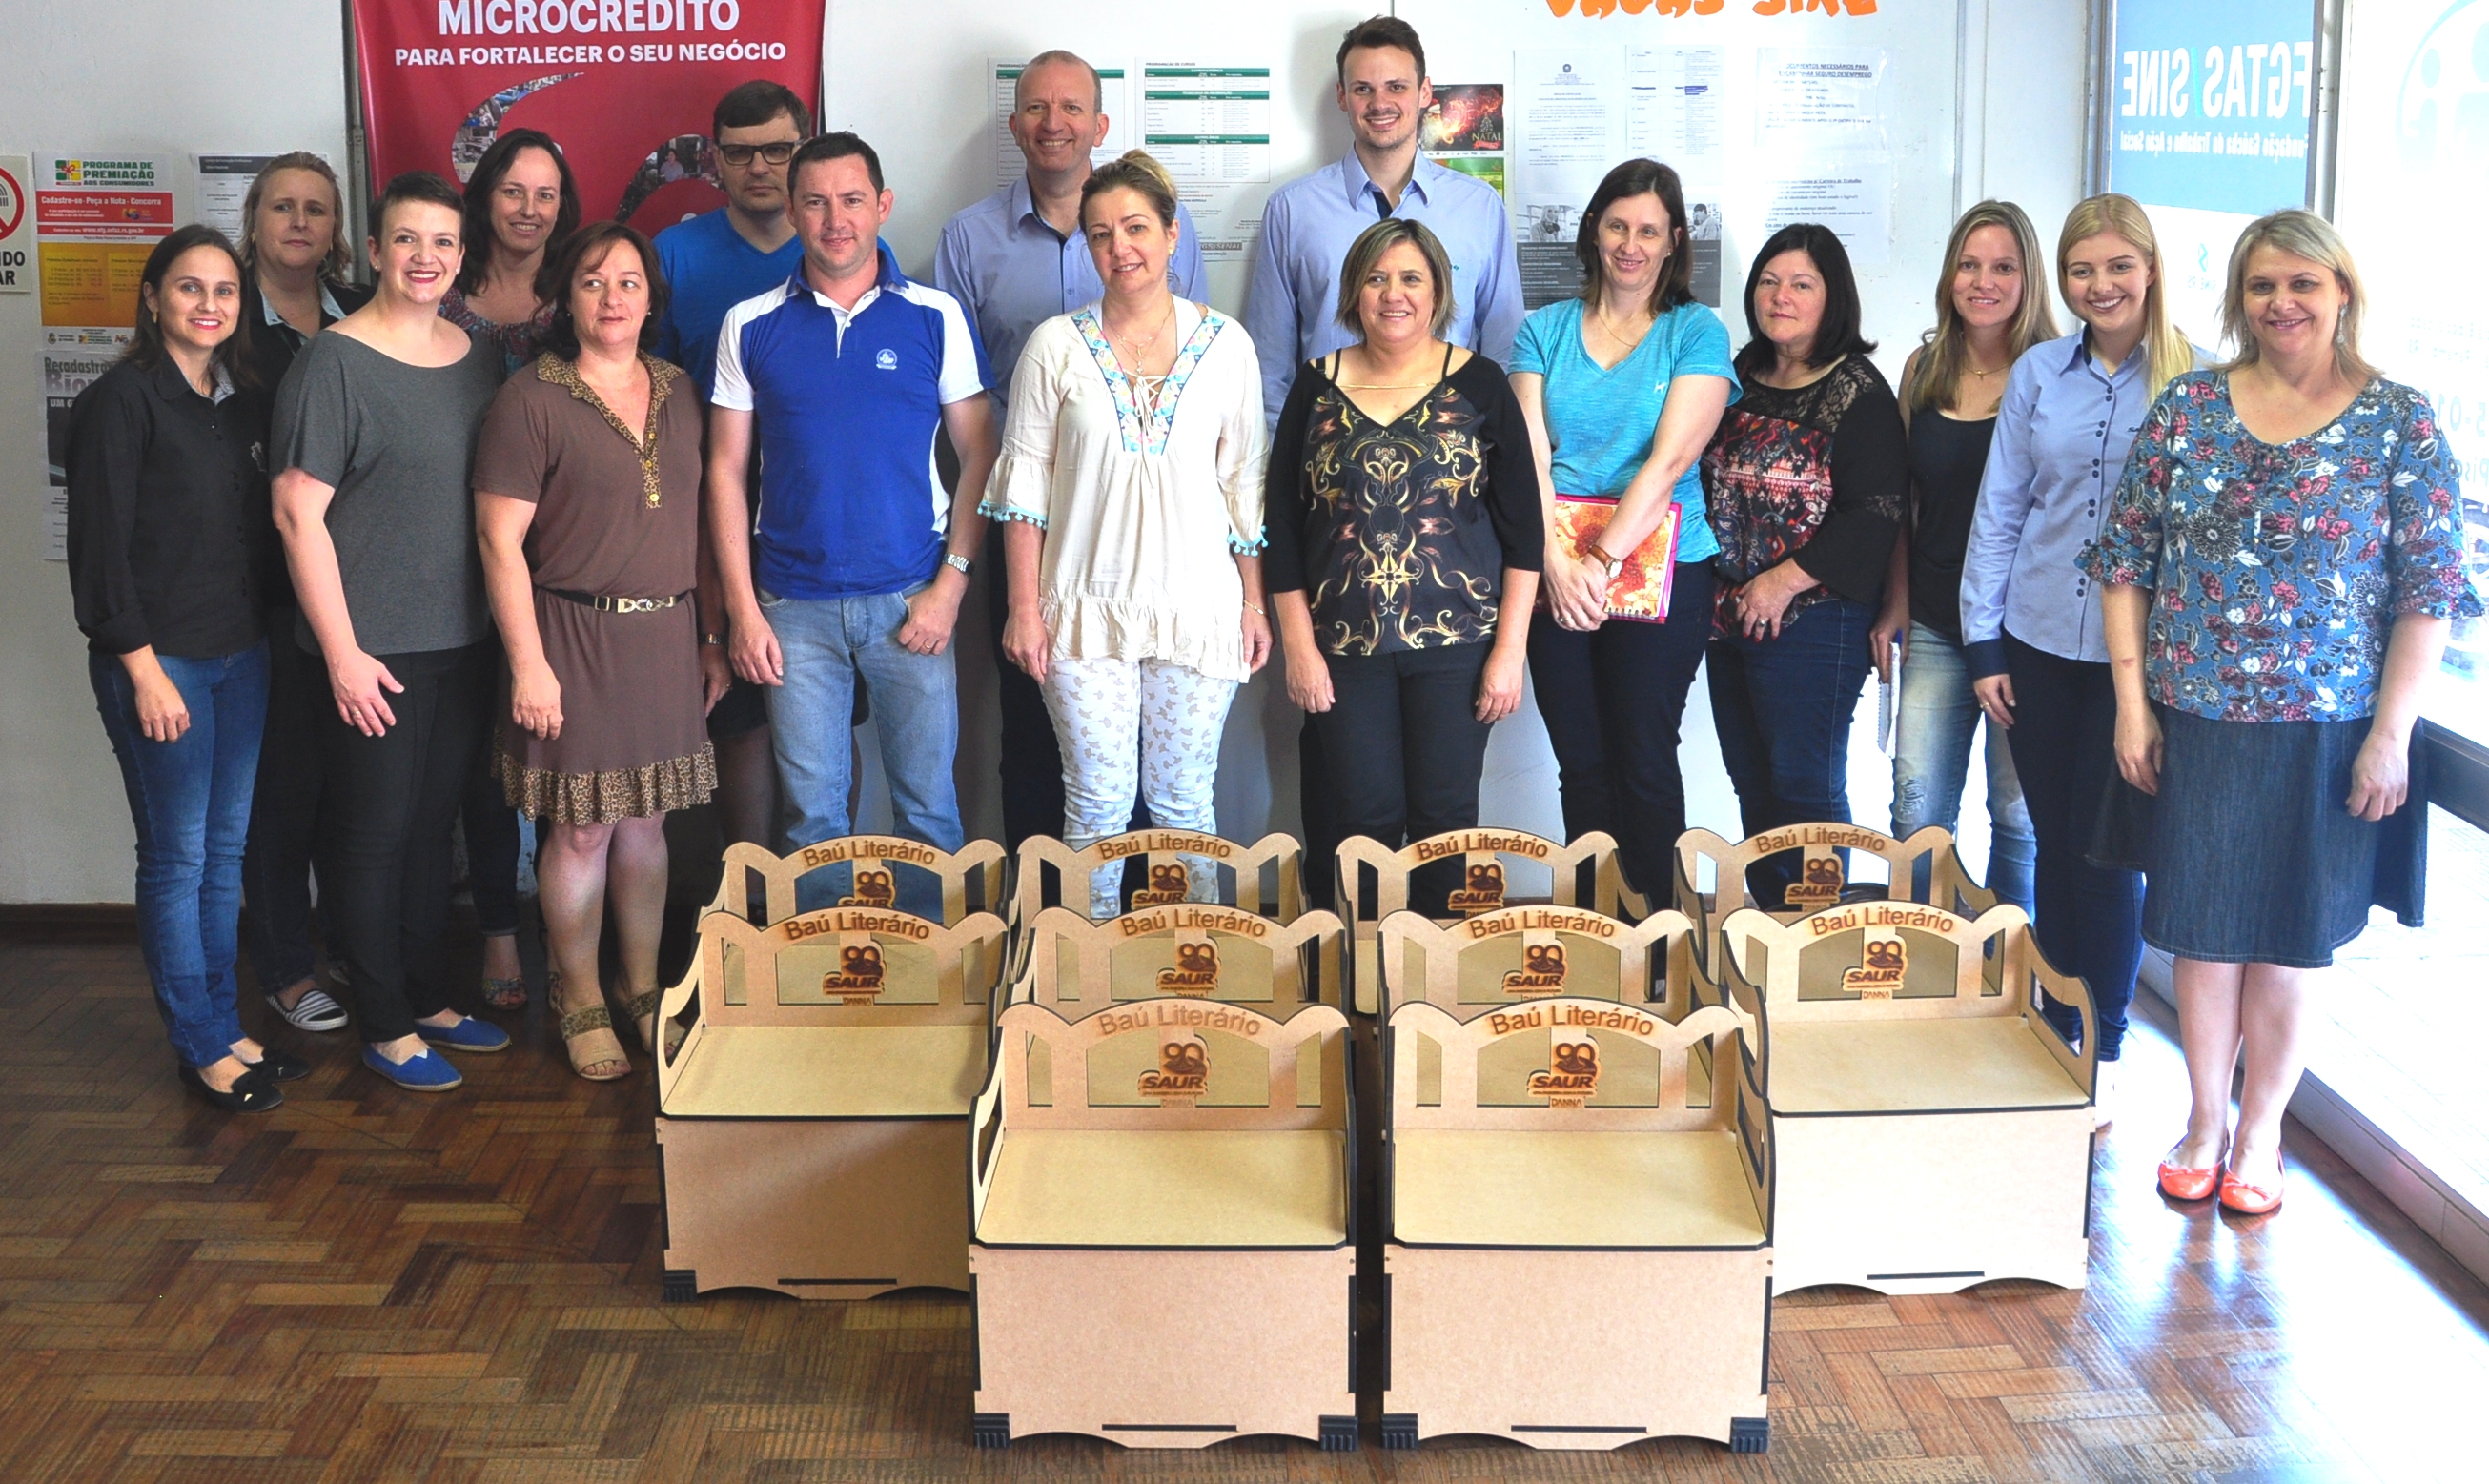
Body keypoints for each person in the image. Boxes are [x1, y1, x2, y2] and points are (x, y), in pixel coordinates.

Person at [2090, 211, 2480, 1215]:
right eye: (2262, 286)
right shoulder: (2188, 409)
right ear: (2238, 299)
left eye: (2303, 284)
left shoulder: (2402, 420)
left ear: (2342, 292)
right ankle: (2202, 1122)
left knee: (2292, 940)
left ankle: (2261, 1132)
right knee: (2203, 938)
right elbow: (2124, 563)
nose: (2282, 305)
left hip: (2328, 732)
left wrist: (2390, 737)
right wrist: (2133, 708)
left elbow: (2428, 594)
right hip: (2198, 720)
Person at [1247, 13, 1524, 904]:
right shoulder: (1292, 211)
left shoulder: (1481, 213)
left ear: (1425, 98)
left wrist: (1507, 647)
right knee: (1347, 812)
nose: (1379, 101)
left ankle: (1429, 1005)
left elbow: (1507, 379)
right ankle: (1348, 997)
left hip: (1453, 609)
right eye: (1362, 86)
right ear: (1340, 98)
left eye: (1395, 85)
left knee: (1445, 817)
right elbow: (1264, 377)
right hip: (1337, 597)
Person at [707, 133, 996, 916]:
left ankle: (938, 993)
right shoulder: (750, 323)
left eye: (851, 198)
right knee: (812, 822)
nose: (835, 219)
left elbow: (981, 454)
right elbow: (724, 473)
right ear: (794, 210)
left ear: (883, 205)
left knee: (928, 813)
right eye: (816, 201)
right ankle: (829, 991)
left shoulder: (934, 315)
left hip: (912, 602)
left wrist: (950, 589)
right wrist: (741, 611)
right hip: (791, 610)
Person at [271, 171, 514, 1092]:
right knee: (371, 834)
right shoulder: (333, 361)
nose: (425, 258)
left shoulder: (474, 354)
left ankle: (422, 994)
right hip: (370, 649)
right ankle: (380, 1017)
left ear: (460, 257)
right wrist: (341, 654)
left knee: (429, 831)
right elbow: (298, 514)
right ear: (374, 251)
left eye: (443, 243)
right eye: (407, 240)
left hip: (462, 637)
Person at [1960, 193, 2197, 1117]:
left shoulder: (2198, 382)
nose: (2099, 286)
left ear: (2150, 269)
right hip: (2037, 635)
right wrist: (1983, 640)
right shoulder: (2036, 374)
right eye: (2080, 270)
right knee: (2055, 839)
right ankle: (2056, 1022)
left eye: (2116, 267)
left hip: (2139, 660)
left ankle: (2105, 1033)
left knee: (2111, 852)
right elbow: (2002, 509)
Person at [936, 49, 1208, 852]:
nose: (1052, 123)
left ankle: (1138, 921)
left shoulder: (1159, 232)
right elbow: (957, 385)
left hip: (1144, 538)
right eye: (1034, 108)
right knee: (1029, 725)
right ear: (1015, 123)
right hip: (1026, 524)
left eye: (1069, 108)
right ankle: (1046, 916)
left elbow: (1178, 353)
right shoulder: (967, 237)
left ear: (1099, 123)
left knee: (1153, 752)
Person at [989, 152, 1270, 919]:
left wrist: (1252, 603)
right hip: (1080, 610)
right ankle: (1091, 980)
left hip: (1197, 608)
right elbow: (1023, 490)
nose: (1122, 247)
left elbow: (1244, 486)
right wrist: (1023, 607)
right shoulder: (1055, 346)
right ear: (1087, 246)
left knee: (1184, 804)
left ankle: (1192, 966)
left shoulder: (1228, 346)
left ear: (1173, 235)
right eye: (1103, 233)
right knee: (1096, 806)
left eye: (1137, 227)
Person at [67, 225, 309, 1112]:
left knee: (223, 853)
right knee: (176, 857)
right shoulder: (120, 401)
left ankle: (223, 1025)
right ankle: (201, 1043)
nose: (208, 305)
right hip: (158, 662)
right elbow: (98, 559)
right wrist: (143, 670)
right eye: (189, 288)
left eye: (224, 292)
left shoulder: (240, 401)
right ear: (153, 297)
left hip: (239, 656)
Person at [476, 222, 718, 1082]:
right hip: (569, 637)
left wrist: (713, 632)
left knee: (647, 822)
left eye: (627, 282)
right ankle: (577, 995)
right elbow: (498, 543)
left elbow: (701, 525)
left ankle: (641, 987)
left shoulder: (683, 392)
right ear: (563, 298)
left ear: (652, 296)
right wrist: (530, 665)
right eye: (591, 281)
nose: (611, 298)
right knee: (582, 828)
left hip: (665, 637)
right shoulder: (529, 401)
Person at [1266, 217, 1539, 914]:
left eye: (1411, 278)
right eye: (1377, 278)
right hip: (1344, 648)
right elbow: (1283, 530)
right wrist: (1298, 648)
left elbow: (1523, 531)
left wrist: (1509, 652)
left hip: (1457, 645)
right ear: (1354, 292)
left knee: (1446, 822)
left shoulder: (1478, 383)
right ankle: (1361, 988)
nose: (1394, 294)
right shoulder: (1315, 386)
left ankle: (1432, 989)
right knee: (1361, 819)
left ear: (1438, 291)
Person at [1510, 158, 1737, 897]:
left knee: (1642, 752)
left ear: (1674, 241)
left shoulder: (1695, 331)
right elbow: (1530, 459)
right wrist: (1552, 562)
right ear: (1593, 233)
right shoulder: (1540, 331)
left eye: (1647, 230)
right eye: (1616, 226)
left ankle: (1657, 931)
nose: (1630, 245)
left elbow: (1668, 461)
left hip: (1662, 568)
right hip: (1554, 567)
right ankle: (1596, 923)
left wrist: (1597, 561)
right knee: (1579, 758)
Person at [1700, 223, 1906, 908]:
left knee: (1804, 784)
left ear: (1831, 297)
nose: (1778, 295)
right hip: (1728, 617)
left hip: (1816, 624)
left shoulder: (1858, 393)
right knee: (1751, 779)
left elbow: (1874, 515)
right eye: (1767, 279)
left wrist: (1780, 582)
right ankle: (1773, 926)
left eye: (1800, 284)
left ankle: (1819, 936)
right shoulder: (1736, 376)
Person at [1869, 201, 2056, 917]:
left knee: (2017, 817)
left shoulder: (2053, 374)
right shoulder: (1924, 368)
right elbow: (1901, 501)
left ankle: (2015, 987)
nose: (1984, 282)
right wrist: (1896, 604)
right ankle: (1921, 968)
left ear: (2028, 278)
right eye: (1969, 265)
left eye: (2003, 267)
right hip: (1938, 624)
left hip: (2025, 636)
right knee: (1916, 816)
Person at [234, 152, 371, 1037]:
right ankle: (285, 965)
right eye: (282, 207)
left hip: (353, 588)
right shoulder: (222, 316)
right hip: (252, 589)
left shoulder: (360, 316)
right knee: (279, 793)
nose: (298, 222)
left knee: (344, 788)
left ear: (335, 230)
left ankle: (352, 950)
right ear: (253, 220)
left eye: (315, 210)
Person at [655, 81, 809, 857]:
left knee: (826, 713)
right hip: (706, 508)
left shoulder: (842, 244)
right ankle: (748, 897)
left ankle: (824, 892)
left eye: (778, 149)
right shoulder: (673, 255)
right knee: (739, 710)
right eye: (740, 152)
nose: (759, 167)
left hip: (816, 511)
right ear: (714, 159)